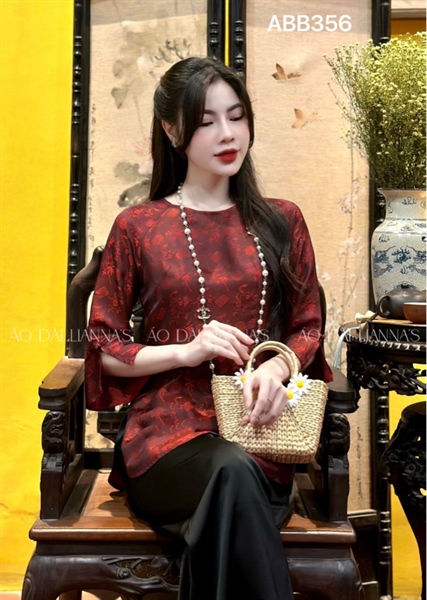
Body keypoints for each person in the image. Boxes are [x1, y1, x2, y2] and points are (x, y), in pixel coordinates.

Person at [85, 56, 332, 600]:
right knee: (230, 474)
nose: (227, 134)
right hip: (165, 441)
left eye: (237, 116)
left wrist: (277, 366)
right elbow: (105, 349)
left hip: (260, 433)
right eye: (206, 121)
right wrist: (185, 351)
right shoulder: (138, 226)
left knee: (234, 478)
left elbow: (309, 327)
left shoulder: (282, 219)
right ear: (173, 131)